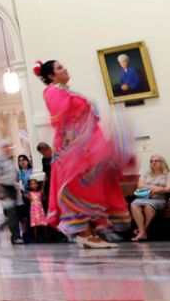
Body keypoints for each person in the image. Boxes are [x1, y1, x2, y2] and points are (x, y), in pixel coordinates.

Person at [35, 60, 131, 248]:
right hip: (72, 148)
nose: (65, 68)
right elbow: (63, 118)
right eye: (60, 68)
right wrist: (74, 144)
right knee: (78, 187)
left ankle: (91, 233)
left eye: (64, 65)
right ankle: (84, 234)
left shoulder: (67, 91)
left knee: (91, 186)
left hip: (83, 147)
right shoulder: (53, 91)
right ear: (51, 76)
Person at [130, 154, 170, 242]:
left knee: (148, 207)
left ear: (162, 162)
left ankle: (142, 231)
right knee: (134, 205)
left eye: (156, 161)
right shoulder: (146, 173)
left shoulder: (168, 174)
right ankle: (143, 232)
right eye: (151, 161)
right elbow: (140, 186)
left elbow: (169, 189)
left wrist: (154, 188)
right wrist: (157, 188)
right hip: (144, 197)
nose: (153, 163)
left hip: (158, 199)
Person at [0, 140, 23, 244]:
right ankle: (15, 237)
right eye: (6, 147)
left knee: (18, 212)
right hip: (4, 188)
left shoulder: (10, 161)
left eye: (9, 147)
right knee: (12, 212)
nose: (8, 149)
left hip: (13, 188)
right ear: (2, 148)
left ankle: (2, 226)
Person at [16, 153, 33, 240]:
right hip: (22, 196)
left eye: (23, 160)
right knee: (23, 216)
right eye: (20, 160)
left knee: (31, 215)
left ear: (27, 161)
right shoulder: (18, 173)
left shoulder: (32, 170)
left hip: (32, 196)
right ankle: (25, 233)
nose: (22, 162)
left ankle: (32, 233)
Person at [27, 178, 49, 242]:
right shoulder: (30, 193)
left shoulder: (40, 192)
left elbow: (44, 199)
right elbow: (28, 198)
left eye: (35, 184)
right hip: (34, 211)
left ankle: (46, 238)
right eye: (32, 184)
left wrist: (43, 194)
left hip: (40, 210)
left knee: (44, 224)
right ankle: (35, 238)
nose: (34, 185)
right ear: (30, 186)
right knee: (35, 225)